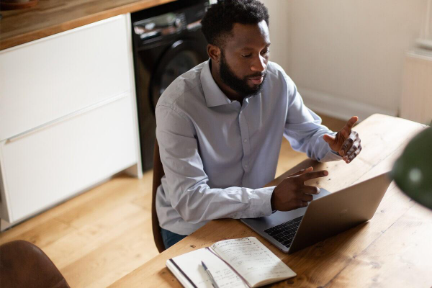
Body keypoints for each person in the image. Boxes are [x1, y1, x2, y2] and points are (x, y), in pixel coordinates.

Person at [155, 0, 362, 249]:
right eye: (247, 55)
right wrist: (270, 199)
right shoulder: (177, 106)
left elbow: (308, 133)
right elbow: (190, 201)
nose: (260, 65)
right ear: (214, 52)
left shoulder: (276, 81)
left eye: (265, 51)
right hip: (193, 226)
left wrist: (334, 145)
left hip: (259, 211)